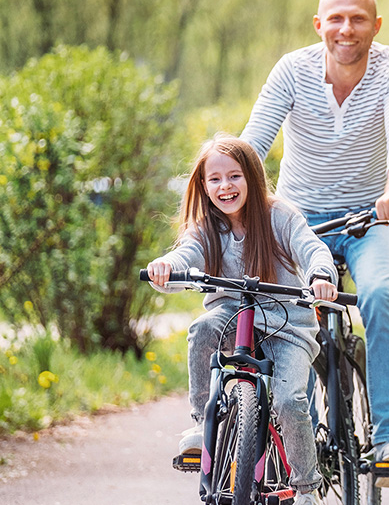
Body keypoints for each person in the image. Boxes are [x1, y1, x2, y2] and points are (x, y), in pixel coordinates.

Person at [239, 0, 389, 489]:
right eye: (335, 19)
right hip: (299, 222)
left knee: (382, 295)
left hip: (370, 219)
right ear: (319, 25)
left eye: (358, 18)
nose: (346, 29)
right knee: (281, 312)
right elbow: (254, 141)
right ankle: (285, 435)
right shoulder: (293, 71)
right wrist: (229, 192)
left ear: (376, 26)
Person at [146, 133, 338, 503]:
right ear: (203, 185)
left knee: (288, 401)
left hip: (288, 328)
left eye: (234, 176)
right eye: (214, 179)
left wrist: (321, 277)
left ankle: (306, 488)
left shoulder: (278, 216)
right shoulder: (207, 228)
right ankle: (204, 425)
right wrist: (166, 266)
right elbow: (185, 255)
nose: (225, 186)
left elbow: (312, 248)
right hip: (232, 317)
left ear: (252, 176)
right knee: (202, 328)